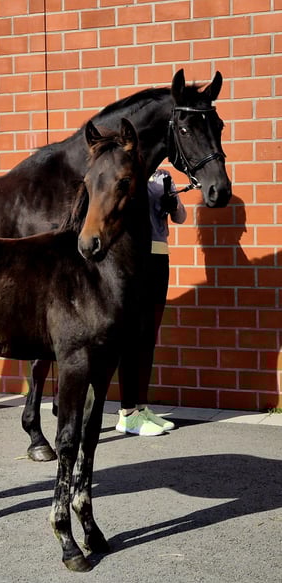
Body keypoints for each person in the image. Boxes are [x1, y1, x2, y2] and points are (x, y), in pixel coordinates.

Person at [115, 168, 187, 436]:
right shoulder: (124, 172)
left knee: (148, 337)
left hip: (159, 256)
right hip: (133, 257)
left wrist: (173, 203)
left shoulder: (162, 176)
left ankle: (141, 407)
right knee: (132, 336)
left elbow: (180, 217)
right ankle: (127, 413)